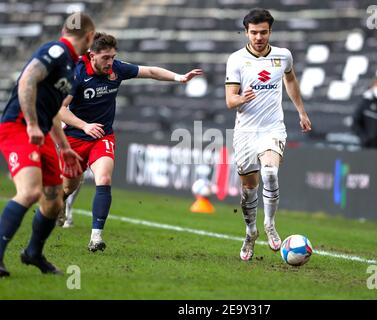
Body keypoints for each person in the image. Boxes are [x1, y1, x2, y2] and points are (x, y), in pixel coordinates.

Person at [58, 32, 203, 252]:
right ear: (92, 55)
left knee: (104, 178)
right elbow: (59, 109)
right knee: (69, 185)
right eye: (105, 57)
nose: (110, 62)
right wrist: (84, 125)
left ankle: (96, 237)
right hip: (75, 137)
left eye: (113, 57)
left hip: (102, 136)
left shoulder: (116, 69)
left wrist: (179, 78)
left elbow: (151, 71)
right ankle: (59, 201)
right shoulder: (77, 74)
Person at [0, 13, 95, 277]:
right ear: (89, 36)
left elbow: (52, 110)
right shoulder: (56, 50)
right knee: (30, 192)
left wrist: (64, 147)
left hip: (39, 132)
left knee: (53, 202)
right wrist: (31, 123)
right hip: (19, 127)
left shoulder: (71, 66)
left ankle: (33, 253)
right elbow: (27, 79)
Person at [225, 9, 311, 261]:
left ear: (270, 31)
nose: (259, 37)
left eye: (263, 32)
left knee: (270, 172)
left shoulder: (283, 56)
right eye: (254, 32)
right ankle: (250, 232)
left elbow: (291, 81)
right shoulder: (237, 59)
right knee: (249, 189)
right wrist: (242, 97)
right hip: (245, 132)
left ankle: (270, 223)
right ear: (246, 32)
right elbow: (230, 100)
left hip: (273, 128)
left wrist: (301, 112)